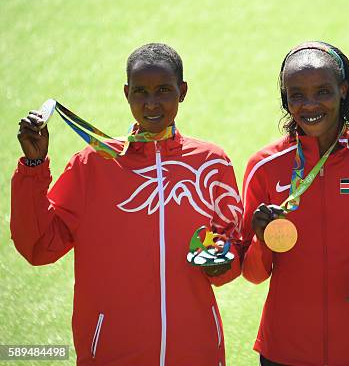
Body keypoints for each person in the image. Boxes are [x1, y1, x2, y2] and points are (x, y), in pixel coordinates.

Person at [11, 43, 243, 365]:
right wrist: (33, 168)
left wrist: (221, 259)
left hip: (196, 353)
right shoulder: (93, 164)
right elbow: (38, 246)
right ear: (126, 93)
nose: (151, 103)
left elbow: (230, 253)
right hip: (112, 354)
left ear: (183, 91)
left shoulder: (211, 164)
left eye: (163, 90)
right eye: (140, 92)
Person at [241, 41, 349, 365]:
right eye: (297, 95)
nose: (310, 105)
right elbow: (252, 273)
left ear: (343, 90)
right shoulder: (264, 166)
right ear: (285, 98)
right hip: (284, 351)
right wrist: (263, 241)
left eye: (323, 91)